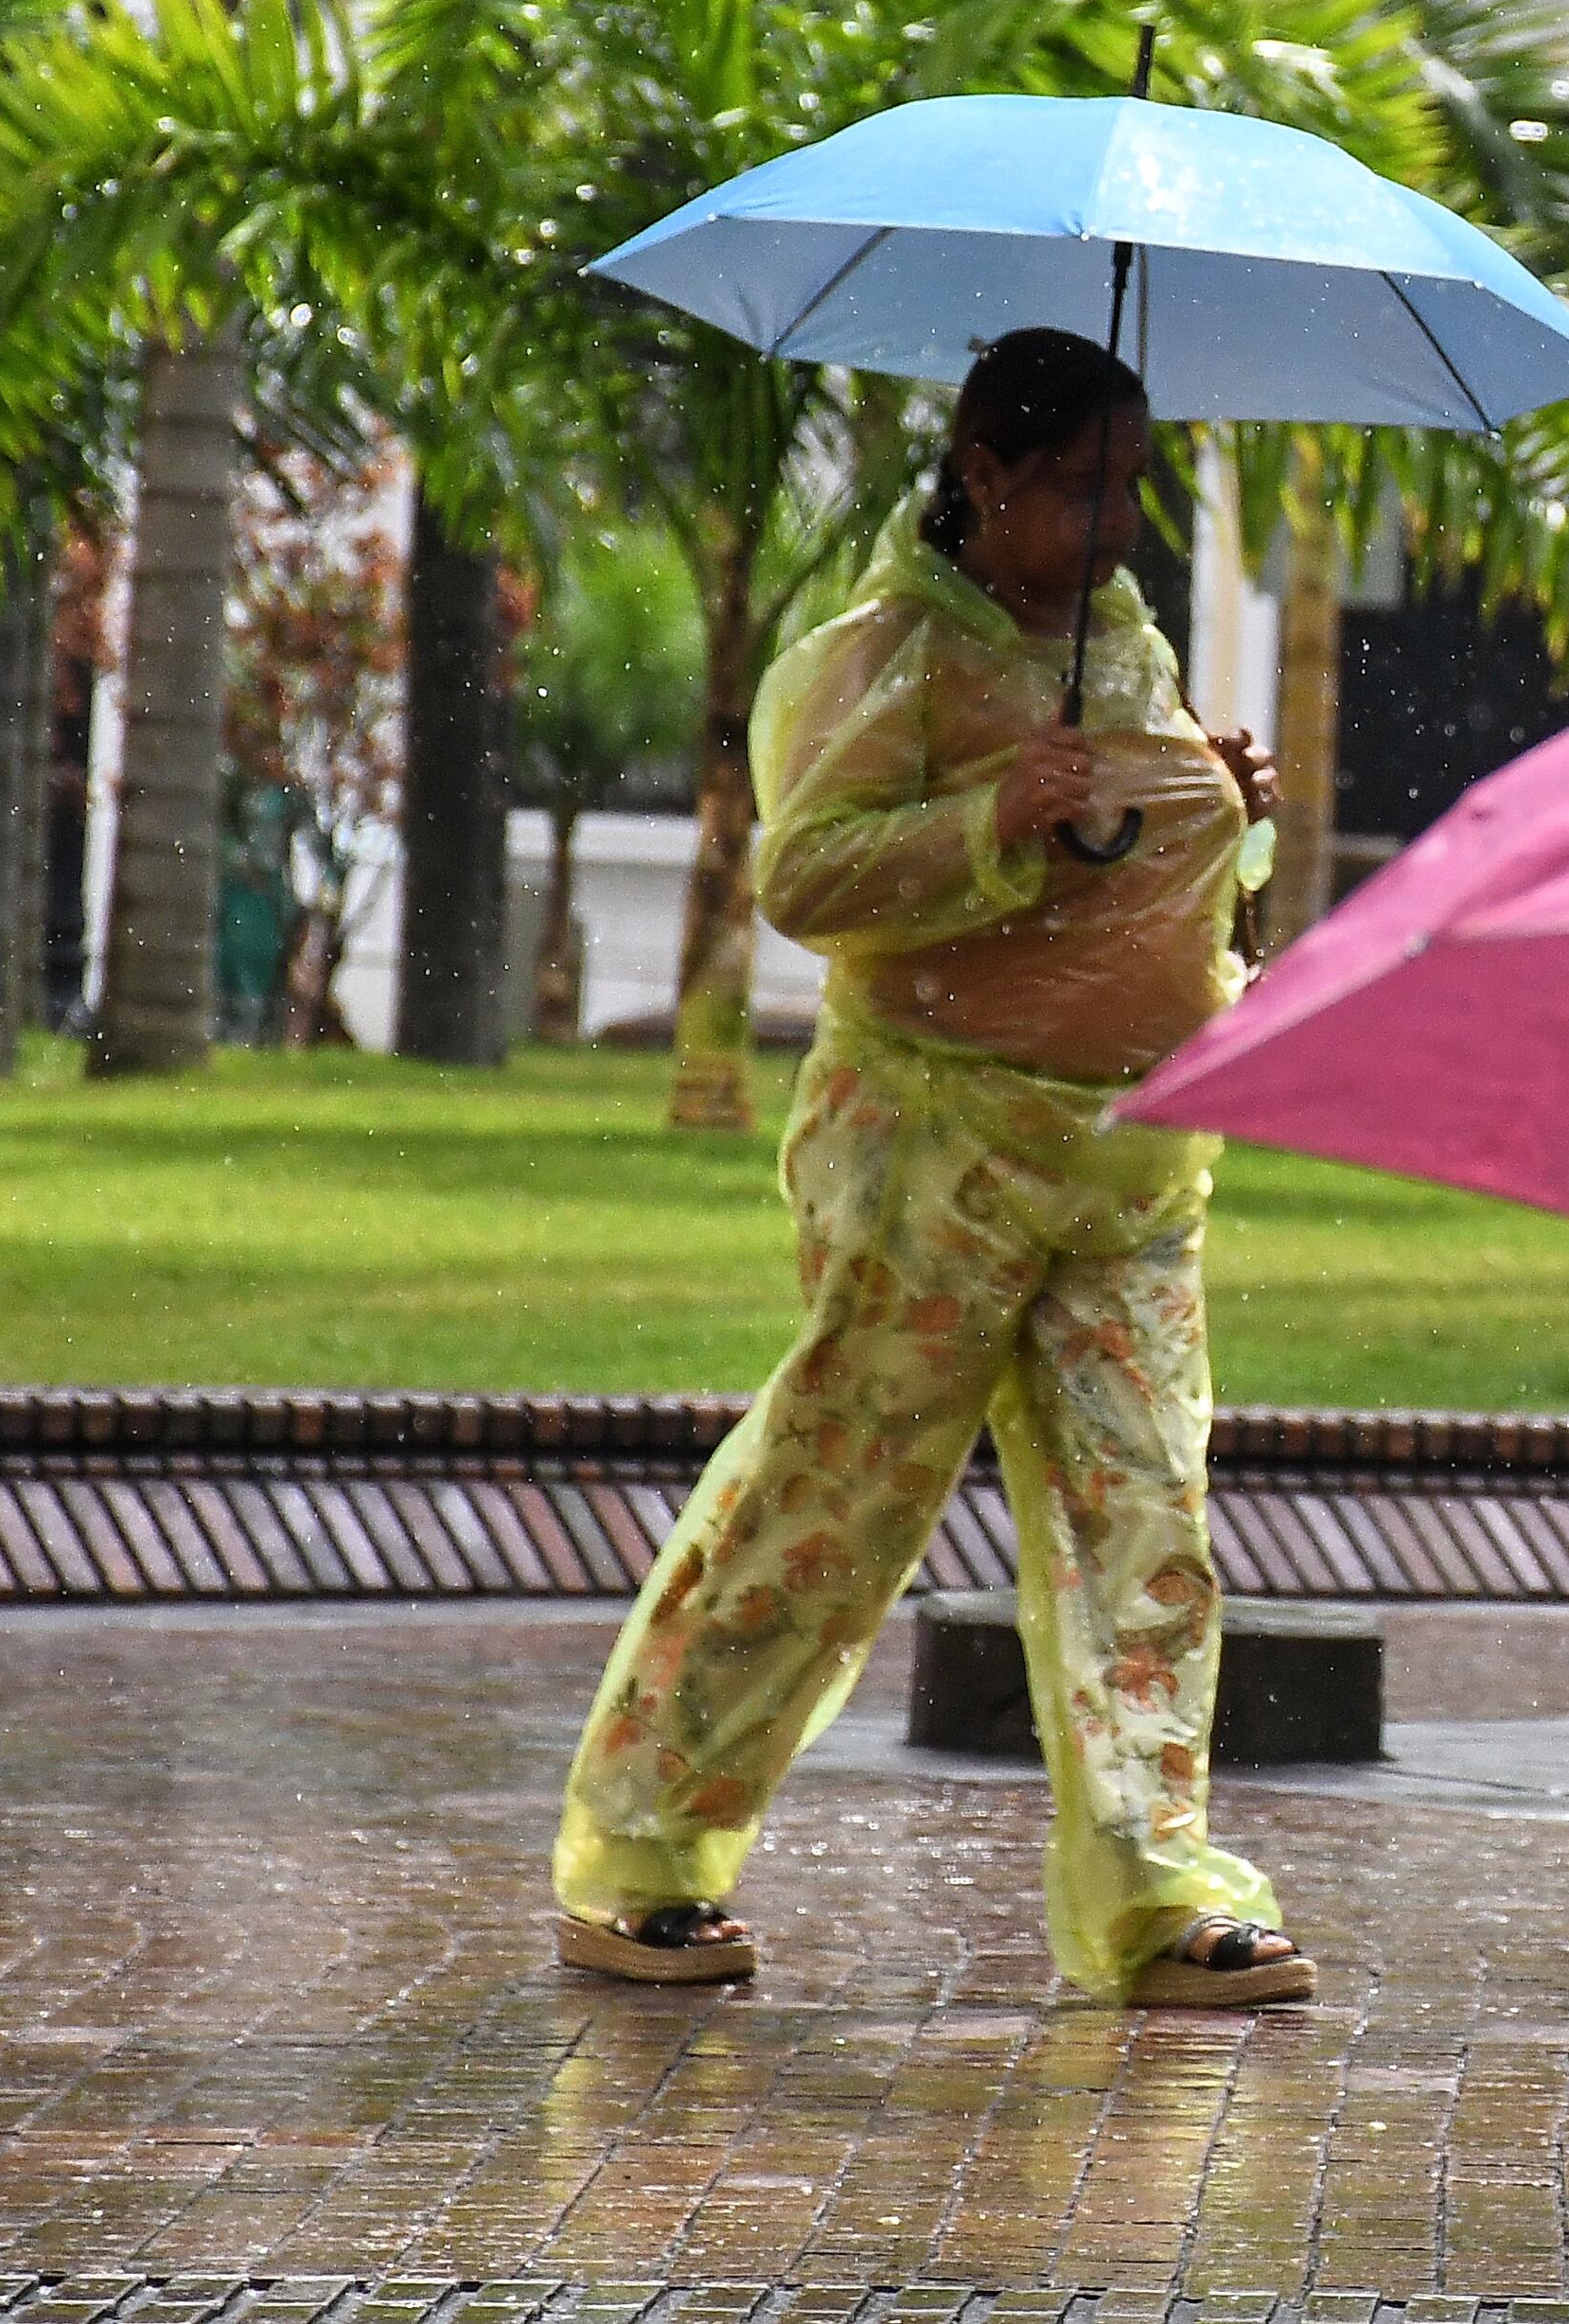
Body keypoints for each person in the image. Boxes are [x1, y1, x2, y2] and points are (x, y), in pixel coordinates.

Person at [548, 326, 1313, 2009]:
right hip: (931, 1164)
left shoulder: (1122, 640)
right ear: (982, 474)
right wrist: (989, 817)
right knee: (834, 1500)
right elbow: (808, 878)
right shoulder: (882, 656)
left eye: (1136, 486)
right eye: (1082, 486)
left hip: (1124, 1173)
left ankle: (1158, 1890)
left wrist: (1219, 804)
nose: (1119, 524)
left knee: (1147, 1518)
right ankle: (647, 1852)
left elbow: (1153, 884)